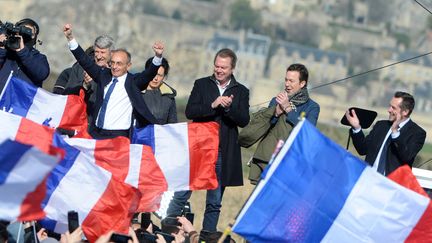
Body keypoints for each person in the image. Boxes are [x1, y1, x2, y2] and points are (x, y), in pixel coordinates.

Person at [166, 48, 250, 241]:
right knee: (183, 190)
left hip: (222, 150)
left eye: (223, 67)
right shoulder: (202, 84)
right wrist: (213, 105)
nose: (219, 70)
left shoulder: (241, 91)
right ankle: (169, 229)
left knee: (214, 199)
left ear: (232, 69)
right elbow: (190, 111)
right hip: (200, 147)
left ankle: (206, 237)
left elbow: (244, 120)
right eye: (216, 66)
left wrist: (228, 109)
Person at [63, 23, 162, 139]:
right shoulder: (103, 76)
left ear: (128, 66)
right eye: (113, 63)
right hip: (96, 132)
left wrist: (158, 57)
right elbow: (84, 60)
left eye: (119, 64)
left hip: (118, 136)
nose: (115, 67)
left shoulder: (133, 82)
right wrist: (70, 38)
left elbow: (148, 74)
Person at [239, 63, 320, 184]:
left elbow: (308, 131)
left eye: (291, 81)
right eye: (286, 80)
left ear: (302, 84)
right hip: (266, 159)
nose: (287, 84)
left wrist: (288, 109)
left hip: (291, 162)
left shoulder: (312, 107)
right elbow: (264, 127)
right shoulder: (275, 101)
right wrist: (275, 113)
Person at [345, 91, 426, 175]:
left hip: (390, 185)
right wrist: (357, 128)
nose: (389, 110)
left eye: (393, 108)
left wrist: (395, 132)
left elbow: (406, 156)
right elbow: (363, 149)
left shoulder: (417, 133)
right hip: (369, 179)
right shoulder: (381, 125)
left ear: (405, 112)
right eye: (390, 106)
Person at [54, 35, 115, 128]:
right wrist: (85, 86)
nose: (98, 56)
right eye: (96, 52)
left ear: (112, 54)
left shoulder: (118, 72)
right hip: (82, 123)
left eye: (102, 52)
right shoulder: (79, 69)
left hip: (108, 125)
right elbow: (68, 97)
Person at [0, 18, 50, 93]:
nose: (25, 32)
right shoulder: (6, 52)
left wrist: (22, 52)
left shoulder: (38, 57)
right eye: (22, 29)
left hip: (22, 103)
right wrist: (1, 49)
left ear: (35, 37)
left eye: (29, 31)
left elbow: (41, 74)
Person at [141, 57, 177, 124]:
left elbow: (173, 124)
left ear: (164, 76)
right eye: (153, 74)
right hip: (140, 133)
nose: (156, 78)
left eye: (160, 75)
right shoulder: (135, 92)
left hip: (161, 134)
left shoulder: (169, 96)